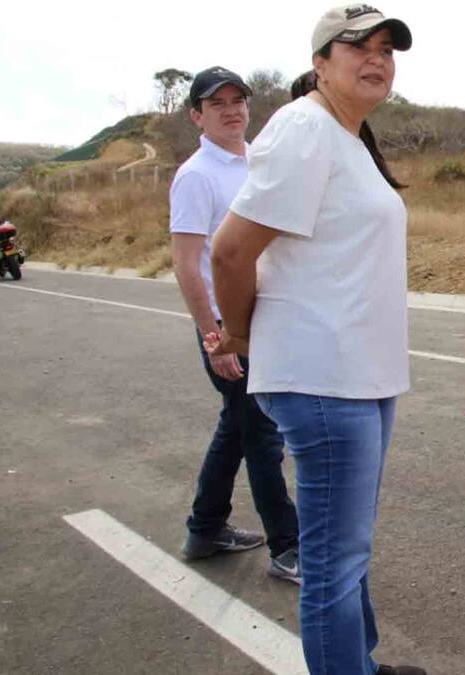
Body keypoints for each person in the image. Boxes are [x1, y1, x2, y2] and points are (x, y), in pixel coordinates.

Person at [203, 5, 423, 675]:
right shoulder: (304, 128)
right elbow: (231, 250)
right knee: (333, 560)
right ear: (320, 63)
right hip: (324, 377)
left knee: (348, 548)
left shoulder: (346, 136)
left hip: (361, 373)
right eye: (358, 46)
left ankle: (360, 662)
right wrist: (241, 333)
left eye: (387, 48)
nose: (377, 58)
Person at [169, 66, 301, 582]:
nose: (231, 111)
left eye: (237, 100)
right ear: (196, 116)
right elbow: (187, 264)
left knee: (238, 424)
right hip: (227, 325)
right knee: (262, 431)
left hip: (264, 316)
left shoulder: (258, 161)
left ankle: (205, 528)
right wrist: (215, 338)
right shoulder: (197, 175)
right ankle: (288, 548)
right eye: (217, 103)